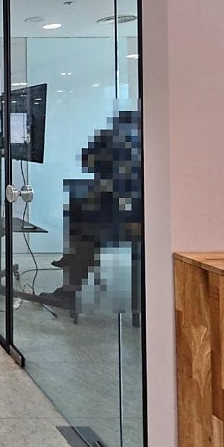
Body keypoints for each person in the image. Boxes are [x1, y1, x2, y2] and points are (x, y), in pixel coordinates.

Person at [41, 110, 142, 314]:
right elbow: (88, 162)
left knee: (87, 233)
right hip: (117, 207)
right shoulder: (111, 144)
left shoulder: (138, 154)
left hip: (134, 217)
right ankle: (72, 257)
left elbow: (131, 191)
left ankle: (71, 289)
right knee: (79, 208)